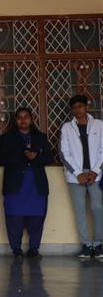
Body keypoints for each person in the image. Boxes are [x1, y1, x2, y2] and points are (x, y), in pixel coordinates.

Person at [0, 108, 53, 258]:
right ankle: (16, 249)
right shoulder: (7, 137)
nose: (23, 120)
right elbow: (1, 158)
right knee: (14, 218)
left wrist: (36, 157)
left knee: (37, 218)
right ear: (15, 120)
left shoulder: (40, 137)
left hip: (36, 184)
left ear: (32, 119)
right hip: (15, 184)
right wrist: (22, 156)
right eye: (19, 117)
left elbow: (49, 158)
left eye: (26, 117)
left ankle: (34, 249)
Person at [59, 94, 103, 259]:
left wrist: (95, 171)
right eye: (74, 107)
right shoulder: (66, 127)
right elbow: (64, 153)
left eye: (80, 106)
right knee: (80, 211)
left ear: (87, 107)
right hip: (75, 176)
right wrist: (78, 173)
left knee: (98, 208)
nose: (77, 110)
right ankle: (85, 244)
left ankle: (98, 244)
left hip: (96, 174)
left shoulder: (99, 125)